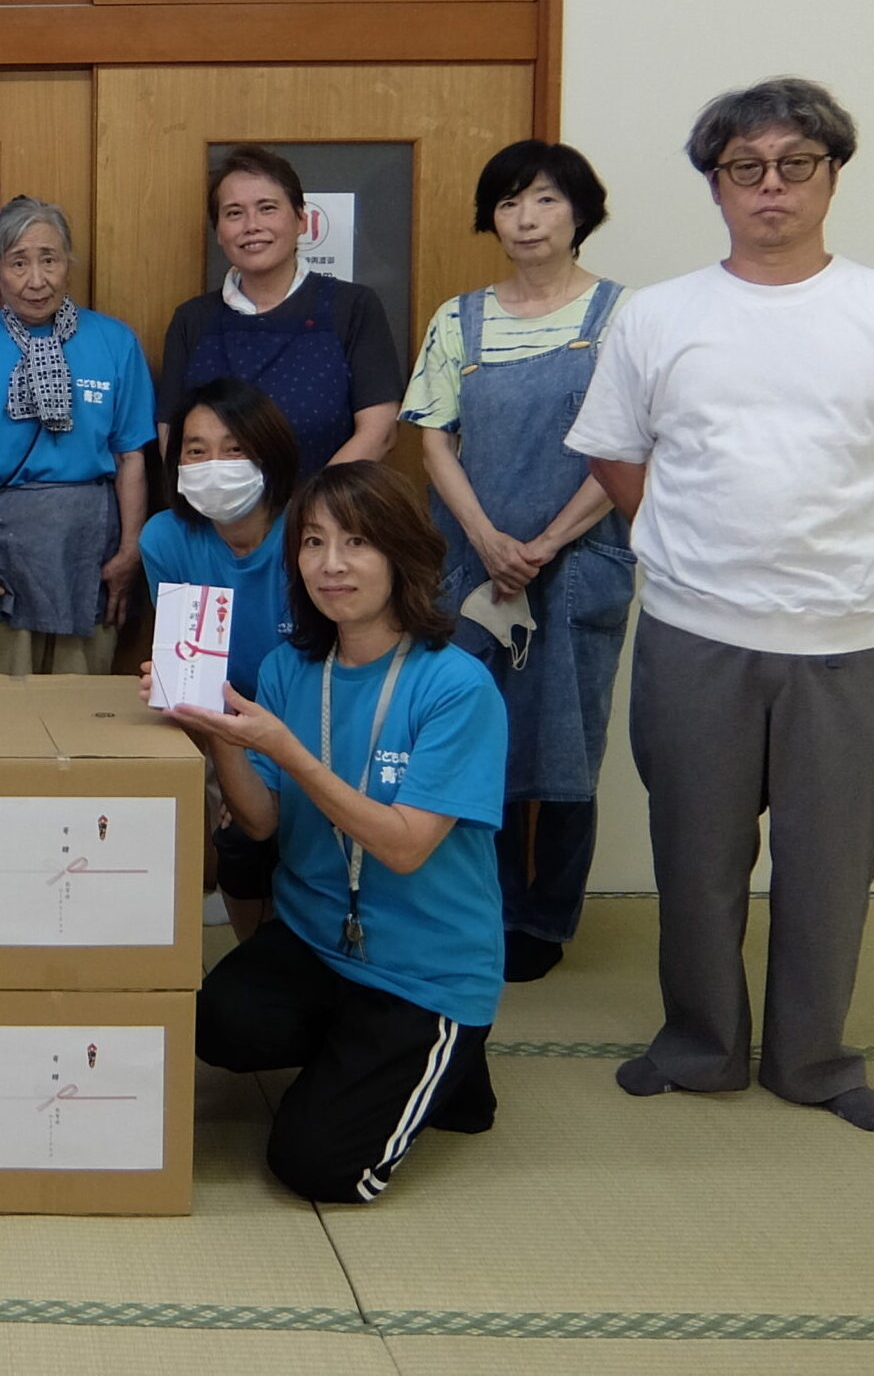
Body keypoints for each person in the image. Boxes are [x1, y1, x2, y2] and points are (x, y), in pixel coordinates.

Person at [566, 77, 874, 1132]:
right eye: (744, 168)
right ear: (714, 186)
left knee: (830, 867)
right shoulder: (660, 316)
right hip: (693, 633)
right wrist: (695, 551)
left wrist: (861, 549)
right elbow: (619, 460)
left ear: (831, 175)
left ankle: (813, 1059)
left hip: (854, 639)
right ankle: (699, 1045)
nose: (770, 187)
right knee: (696, 858)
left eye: (793, 165)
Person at [156, 462, 506, 1204]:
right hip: (318, 939)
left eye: (356, 542)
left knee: (315, 1168)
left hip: (422, 967)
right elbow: (262, 821)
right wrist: (218, 731)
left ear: (402, 553)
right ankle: (379, 1063)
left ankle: (444, 1058)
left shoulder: (455, 685)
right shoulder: (291, 667)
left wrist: (284, 748)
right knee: (217, 1026)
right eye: (312, 542)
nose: (331, 564)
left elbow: (405, 846)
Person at [402, 140, 633, 983]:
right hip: (475, 565)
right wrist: (491, 541)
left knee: (567, 746)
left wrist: (545, 544)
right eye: (507, 203)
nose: (525, 220)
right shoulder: (458, 318)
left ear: (579, 211)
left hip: (580, 564)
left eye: (543, 201)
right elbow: (432, 440)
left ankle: (545, 921)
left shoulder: (620, 317)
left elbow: (631, 448)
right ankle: (484, 909)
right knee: (472, 738)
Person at [0, 195, 154, 676]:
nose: (35, 280)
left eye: (48, 259)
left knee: (83, 704)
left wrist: (130, 548)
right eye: (18, 262)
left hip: (89, 544)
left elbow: (131, 456)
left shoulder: (114, 343)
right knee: (2, 710)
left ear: (68, 262)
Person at [136, 376, 300, 937]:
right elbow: (194, 672)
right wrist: (240, 776)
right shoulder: (165, 539)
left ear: (269, 452)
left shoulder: (310, 533)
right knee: (237, 834)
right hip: (228, 722)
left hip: (312, 719)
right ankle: (256, 951)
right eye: (196, 450)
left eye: (235, 449)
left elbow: (334, 672)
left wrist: (267, 770)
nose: (215, 465)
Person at [157, 146, 401, 472]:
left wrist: (307, 515)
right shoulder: (192, 320)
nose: (251, 225)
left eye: (267, 208)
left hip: (325, 516)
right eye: (233, 213)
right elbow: (172, 439)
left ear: (302, 219)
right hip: (217, 519)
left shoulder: (353, 307)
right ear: (218, 232)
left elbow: (379, 432)